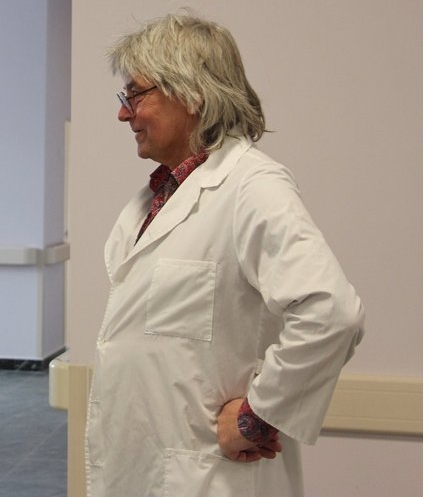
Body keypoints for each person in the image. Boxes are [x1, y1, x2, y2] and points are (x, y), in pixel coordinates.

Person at [84, 13, 365, 497]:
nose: (124, 115)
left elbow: (332, 313)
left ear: (192, 93)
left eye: (136, 95)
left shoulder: (252, 187)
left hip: (210, 477)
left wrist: (257, 416)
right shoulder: (155, 198)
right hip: (146, 467)